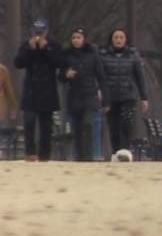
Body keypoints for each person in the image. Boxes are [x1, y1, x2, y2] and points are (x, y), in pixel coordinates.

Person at [14, 19, 64, 161]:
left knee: (46, 126)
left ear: (46, 32)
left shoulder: (53, 45)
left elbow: (59, 62)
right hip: (31, 90)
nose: (39, 35)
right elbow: (18, 63)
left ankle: (44, 155)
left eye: (41, 32)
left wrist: (45, 49)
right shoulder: (26, 44)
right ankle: (30, 153)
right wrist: (30, 49)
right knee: (29, 123)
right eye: (36, 32)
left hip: (47, 90)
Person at [58, 28, 108, 161]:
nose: (76, 40)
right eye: (74, 37)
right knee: (76, 128)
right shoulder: (66, 55)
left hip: (89, 95)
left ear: (84, 39)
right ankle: (79, 156)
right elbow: (60, 77)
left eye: (78, 37)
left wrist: (105, 99)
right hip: (74, 96)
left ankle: (89, 155)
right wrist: (66, 75)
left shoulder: (92, 54)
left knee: (88, 124)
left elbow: (101, 76)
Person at [101, 28, 148, 153]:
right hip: (110, 96)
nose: (118, 40)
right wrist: (100, 92)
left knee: (127, 125)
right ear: (111, 39)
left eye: (121, 37)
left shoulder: (133, 55)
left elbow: (140, 77)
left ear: (125, 40)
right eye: (116, 37)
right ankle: (115, 152)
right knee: (113, 127)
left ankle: (125, 150)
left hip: (128, 96)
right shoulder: (104, 55)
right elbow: (100, 76)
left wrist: (144, 97)